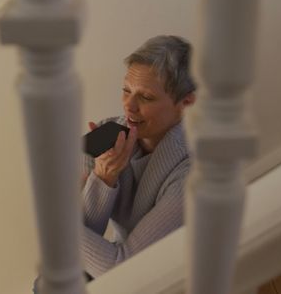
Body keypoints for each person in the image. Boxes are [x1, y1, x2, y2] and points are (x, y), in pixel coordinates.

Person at [80, 35, 197, 278]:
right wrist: (104, 177)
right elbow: (87, 234)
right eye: (126, 90)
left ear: (186, 102)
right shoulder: (106, 133)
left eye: (146, 97)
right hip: (123, 257)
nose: (128, 106)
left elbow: (123, 268)